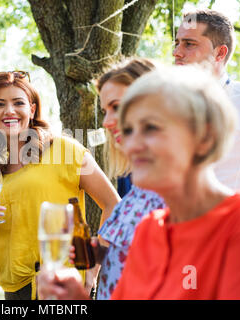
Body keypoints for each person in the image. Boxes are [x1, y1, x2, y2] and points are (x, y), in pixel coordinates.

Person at [38, 66, 240, 300]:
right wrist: (75, 299)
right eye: (129, 130)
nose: (133, 145)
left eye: (151, 128)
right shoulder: (149, 229)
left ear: (203, 136)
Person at [0, 71, 120, 300]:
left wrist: (93, 269)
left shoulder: (64, 150)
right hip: (14, 293)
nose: (9, 111)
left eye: (18, 103)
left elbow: (113, 205)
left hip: (61, 287)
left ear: (31, 110)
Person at [93, 58, 165, 299]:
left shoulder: (179, 194)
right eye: (105, 111)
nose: (106, 122)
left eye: (116, 106)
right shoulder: (139, 188)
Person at [173, 9, 240, 199]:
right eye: (177, 43)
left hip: (233, 225)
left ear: (220, 53)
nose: (177, 53)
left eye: (189, 44)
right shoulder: (165, 104)